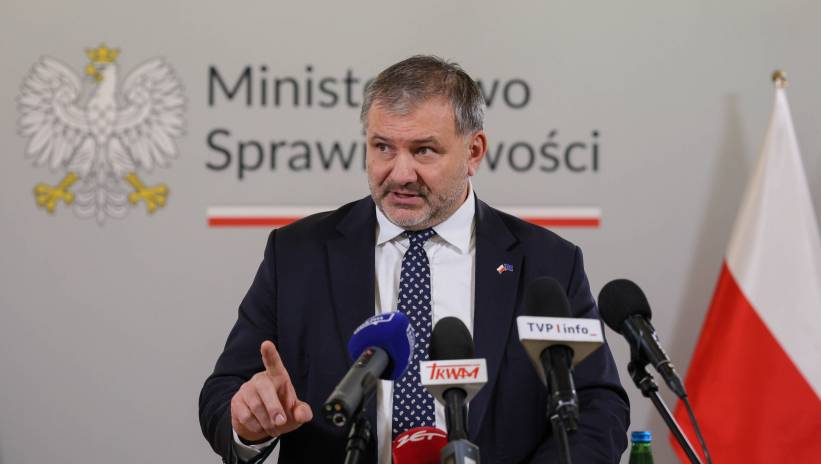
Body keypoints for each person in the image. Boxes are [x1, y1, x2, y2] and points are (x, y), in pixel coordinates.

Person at [199, 55, 629, 463]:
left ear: (474, 151)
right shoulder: (298, 253)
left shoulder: (548, 263)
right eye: (383, 147)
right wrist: (247, 422)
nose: (401, 173)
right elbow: (224, 392)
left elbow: (598, 406)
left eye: (423, 150)